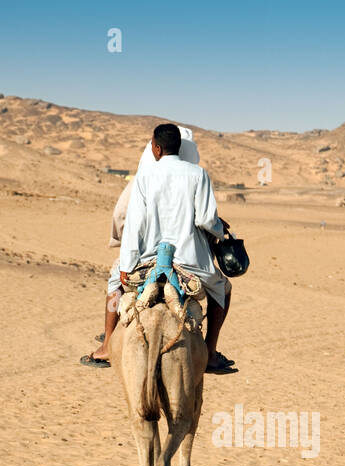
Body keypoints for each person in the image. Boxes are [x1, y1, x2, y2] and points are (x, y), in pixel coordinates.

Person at [80, 123, 235, 372]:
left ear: (156, 147)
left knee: (113, 285)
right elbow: (205, 220)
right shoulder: (198, 175)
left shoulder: (144, 176)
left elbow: (134, 224)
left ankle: (107, 346)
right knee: (223, 290)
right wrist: (219, 230)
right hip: (190, 260)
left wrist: (128, 265)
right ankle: (210, 352)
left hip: (146, 259)